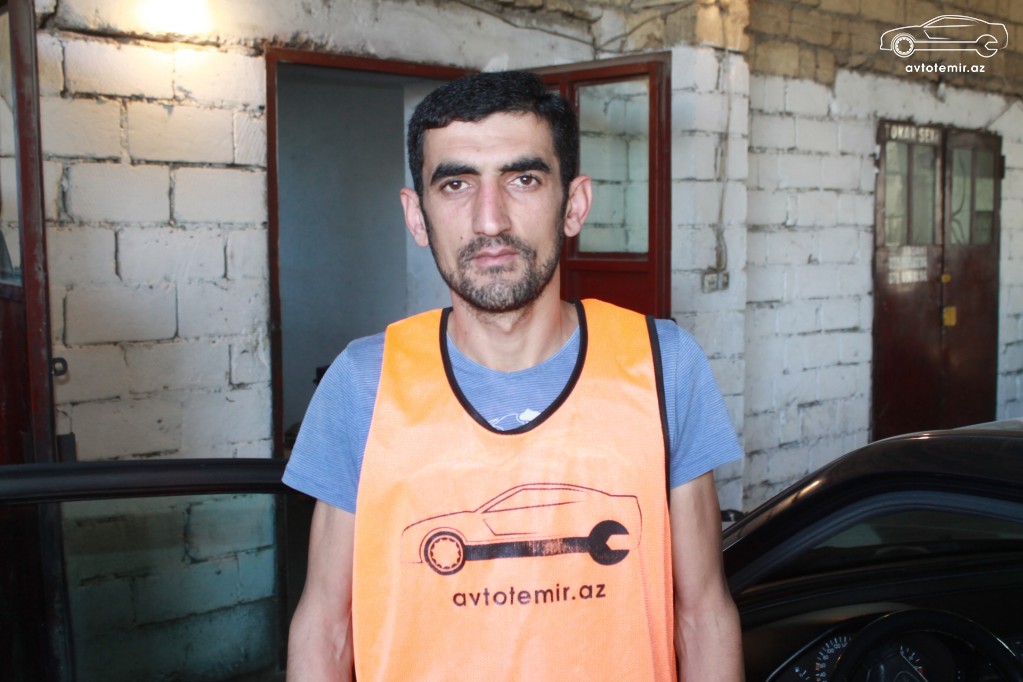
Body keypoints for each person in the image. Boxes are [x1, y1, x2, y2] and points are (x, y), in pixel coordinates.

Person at [283, 70, 744, 681]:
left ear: (573, 205)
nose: (490, 220)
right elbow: (326, 626)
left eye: (523, 179)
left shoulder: (664, 365)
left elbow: (702, 614)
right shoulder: (364, 381)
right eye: (456, 184)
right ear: (417, 216)